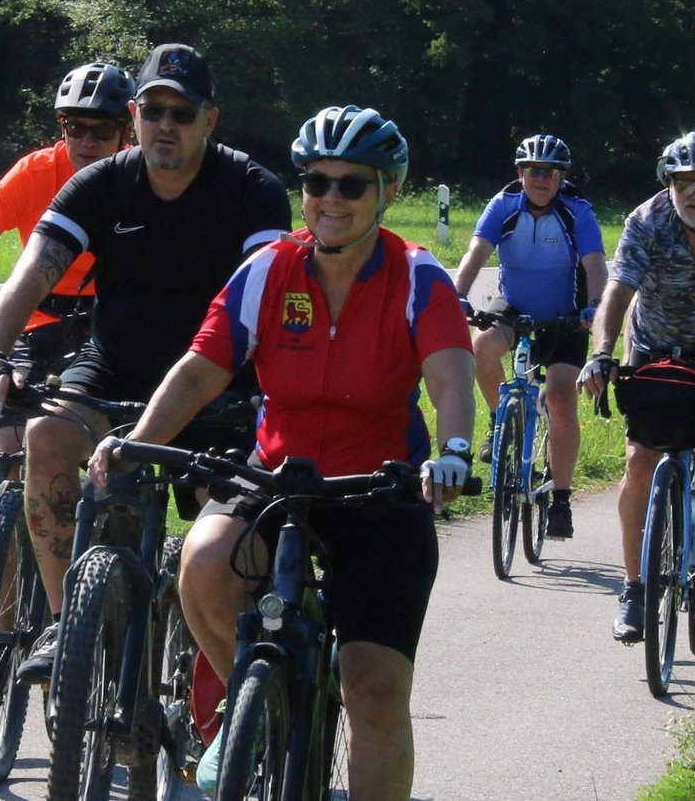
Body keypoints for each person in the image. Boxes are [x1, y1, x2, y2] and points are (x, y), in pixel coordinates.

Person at [87, 105, 473, 799]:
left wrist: (452, 450)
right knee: (204, 562)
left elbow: (449, 374)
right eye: (315, 182)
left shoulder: (419, 279)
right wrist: (139, 440)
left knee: (375, 689)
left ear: (389, 190)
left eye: (351, 185)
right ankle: (251, 707)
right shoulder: (269, 270)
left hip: (379, 492)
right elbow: (202, 368)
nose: (329, 199)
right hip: (278, 477)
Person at [0, 43, 291, 683]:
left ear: (209, 120)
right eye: (152, 110)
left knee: (229, 534)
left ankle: (240, 671)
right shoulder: (101, 182)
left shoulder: (252, 190)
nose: (164, 125)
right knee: (47, 435)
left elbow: (270, 297)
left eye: (181, 112)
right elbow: (34, 270)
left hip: (218, 384)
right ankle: (69, 628)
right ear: (136, 116)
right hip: (115, 365)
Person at [578, 131, 695, 643]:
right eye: (686, 183)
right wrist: (600, 353)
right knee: (640, 461)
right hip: (655, 340)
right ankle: (635, 587)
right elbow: (617, 295)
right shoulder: (647, 220)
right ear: (671, 184)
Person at [0, 62, 133, 479]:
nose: (87, 140)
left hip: (109, 329)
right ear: (62, 126)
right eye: (75, 127)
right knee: (7, 451)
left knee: (116, 468)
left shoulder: (141, 179)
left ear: (126, 131)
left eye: (103, 130)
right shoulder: (35, 172)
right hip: (36, 327)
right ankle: (1, 542)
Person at [453, 134, 607, 539]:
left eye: (551, 172)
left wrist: (593, 305)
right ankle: (498, 422)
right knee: (482, 347)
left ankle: (560, 500)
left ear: (561, 178)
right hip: (516, 308)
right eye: (534, 171)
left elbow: (595, 264)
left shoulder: (577, 211)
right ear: (521, 173)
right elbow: (476, 253)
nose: (542, 179)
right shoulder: (503, 206)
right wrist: (457, 295)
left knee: (559, 395)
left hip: (565, 317)